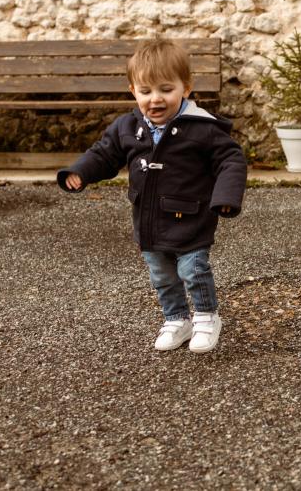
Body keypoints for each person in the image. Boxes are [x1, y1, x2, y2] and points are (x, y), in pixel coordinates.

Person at [57, 38, 247, 353]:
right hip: (147, 219)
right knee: (162, 275)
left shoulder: (201, 128)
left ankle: (206, 317)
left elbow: (231, 160)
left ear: (186, 88)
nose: (155, 99)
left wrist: (225, 195)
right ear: (133, 91)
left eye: (165, 90)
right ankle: (176, 319)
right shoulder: (128, 127)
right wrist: (80, 171)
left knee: (192, 269)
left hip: (192, 217)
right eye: (146, 92)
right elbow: (104, 154)